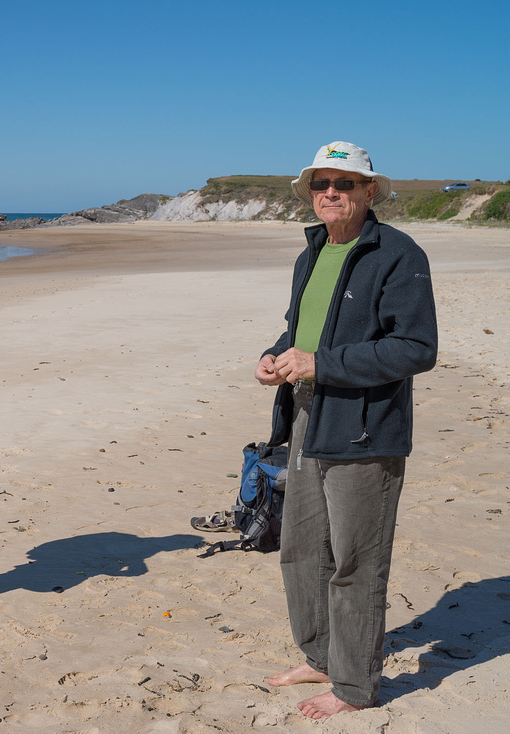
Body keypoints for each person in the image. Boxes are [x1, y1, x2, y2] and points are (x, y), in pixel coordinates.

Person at [255, 142, 437, 718]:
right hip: (308, 416)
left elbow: (416, 348)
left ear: (369, 192)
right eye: (321, 183)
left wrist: (320, 363)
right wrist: (274, 356)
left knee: (355, 560)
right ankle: (321, 655)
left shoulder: (397, 254)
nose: (330, 192)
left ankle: (354, 688)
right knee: (302, 549)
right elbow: (299, 330)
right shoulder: (311, 252)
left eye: (345, 183)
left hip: (366, 428)